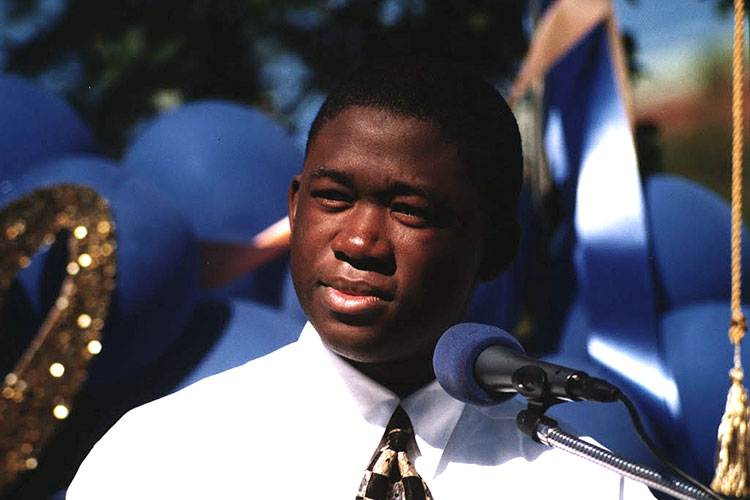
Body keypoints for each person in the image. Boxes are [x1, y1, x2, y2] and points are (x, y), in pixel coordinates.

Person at [67, 58, 654, 499]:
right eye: (333, 198)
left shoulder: (583, 482)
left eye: (411, 211)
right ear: (295, 210)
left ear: (497, 248)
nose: (358, 242)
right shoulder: (158, 459)